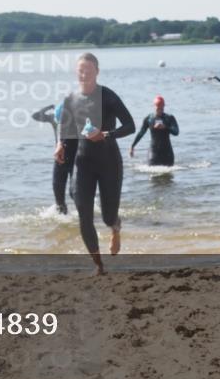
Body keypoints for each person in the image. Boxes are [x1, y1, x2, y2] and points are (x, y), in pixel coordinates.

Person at [55, 53, 135, 274]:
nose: (84, 74)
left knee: (109, 215)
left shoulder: (108, 96)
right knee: (84, 214)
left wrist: (106, 134)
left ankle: (115, 227)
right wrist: (60, 144)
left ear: (97, 72)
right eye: (81, 70)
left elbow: (130, 125)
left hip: (109, 161)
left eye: (88, 70)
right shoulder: (70, 99)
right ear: (76, 72)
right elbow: (64, 127)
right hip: (83, 163)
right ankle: (98, 264)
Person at [33, 104, 75, 214]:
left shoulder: (76, 121)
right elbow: (35, 116)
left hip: (75, 160)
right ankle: (64, 219)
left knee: (74, 193)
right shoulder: (53, 118)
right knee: (59, 200)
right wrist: (49, 107)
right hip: (59, 159)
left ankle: (84, 216)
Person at [129, 95, 179, 167]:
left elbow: (176, 132)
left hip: (167, 153)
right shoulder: (149, 118)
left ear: (164, 107)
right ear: (154, 106)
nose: (160, 110)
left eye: (161, 108)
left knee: (168, 175)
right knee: (152, 174)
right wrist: (132, 146)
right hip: (153, 152)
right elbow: (141, 133)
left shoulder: (169, 118)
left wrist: (165, 127)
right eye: (158, 108)